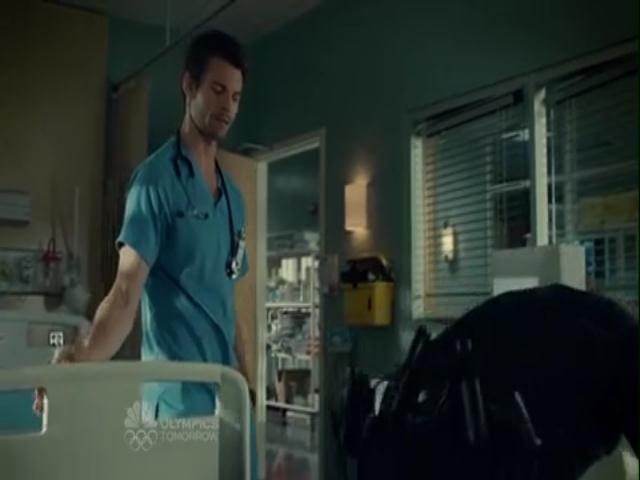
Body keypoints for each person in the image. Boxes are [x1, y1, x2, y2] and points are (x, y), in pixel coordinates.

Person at [34, 29, 256, 475]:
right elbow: (125, 293)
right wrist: (75, 360)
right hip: (176, 404)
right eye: (217, 90)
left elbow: (229, 302)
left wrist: (248, 384)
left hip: (228, 402)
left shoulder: (233, 198)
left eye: (235, 96)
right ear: (188, 85)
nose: (228, 106)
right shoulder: (154, 182)